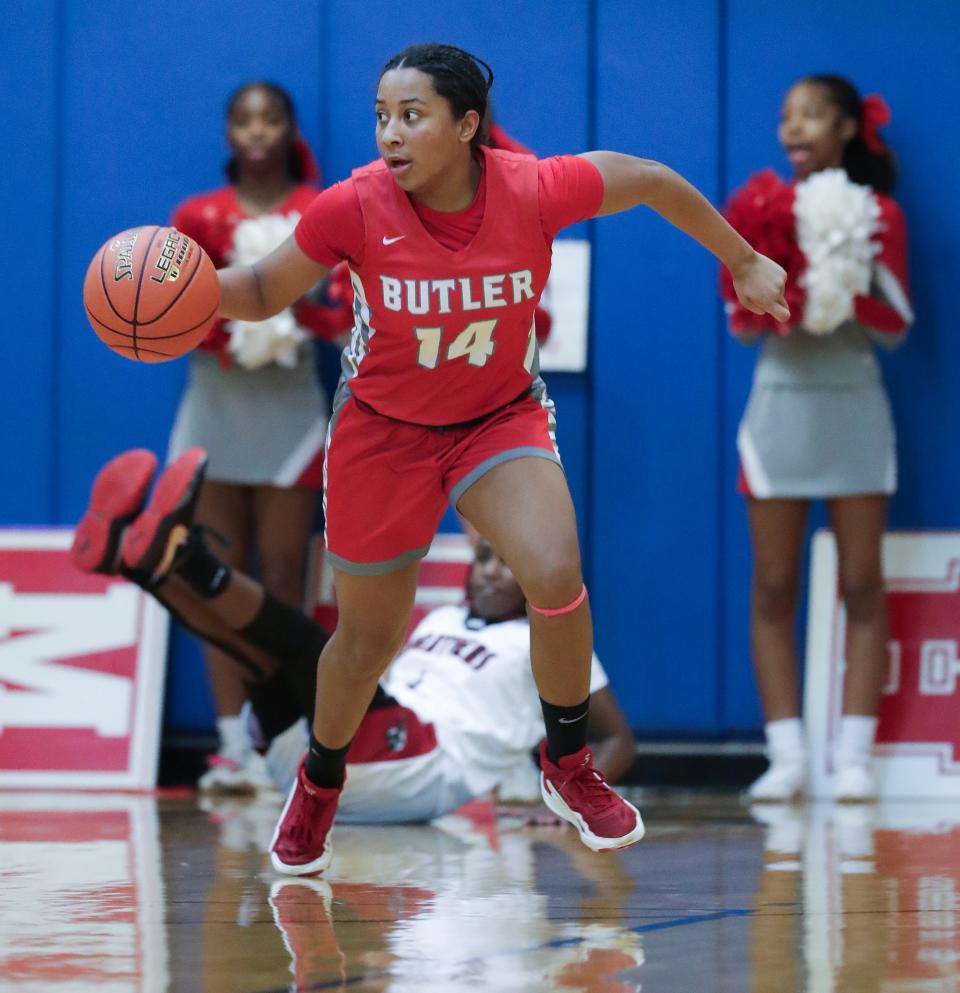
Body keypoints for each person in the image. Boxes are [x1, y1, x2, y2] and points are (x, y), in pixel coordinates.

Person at [192, 42, 787, 873]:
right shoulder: (353, 204)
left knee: (553, 568)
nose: (390, 134)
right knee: (366, 641)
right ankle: (320, 780)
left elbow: (650, 177)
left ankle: (570, 766)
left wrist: (744, 257)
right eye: (381, 117)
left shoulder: (534, 186)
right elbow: (259, 290)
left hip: (495, 419)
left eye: (412, 116)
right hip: (382, 434)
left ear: (467, 125)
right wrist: (187, 290)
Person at [71, 447, 638, 823]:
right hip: (334, 762)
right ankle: (141, 565)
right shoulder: (441, 621)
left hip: (422, 767)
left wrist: (562, 804)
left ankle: (187, 556)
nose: (491, 569)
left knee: (311, 651)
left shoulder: (546, 637)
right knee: (255, 660)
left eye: (507, 562)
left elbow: (619, 740)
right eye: (484, 557)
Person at [720, 75, 912, 802]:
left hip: (855, 407)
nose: (793, 127)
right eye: (785, 114)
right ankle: (788, 755)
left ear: (846, 129)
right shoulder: (756, 207)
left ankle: (855, 755)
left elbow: (898, 327)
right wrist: (785, 297)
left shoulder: (880, 212)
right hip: (779, 412)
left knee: (863, 581)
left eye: (810, 115)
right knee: (773, 585)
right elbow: (739, 324)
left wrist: (842, 289)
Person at [165, 82, 347, 793]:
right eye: (244, 118)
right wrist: (226, 331)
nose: (258, 130)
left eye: (271, 117)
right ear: (228, 130)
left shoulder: (316, 210)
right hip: (214, 406)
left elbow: (343, 308)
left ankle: (285, 736)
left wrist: (295, 321)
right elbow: (164, 307)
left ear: (290, 127)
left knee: (280, 577)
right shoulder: (195, 216)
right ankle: (228, 745)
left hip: (291, 412)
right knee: (211, 572)